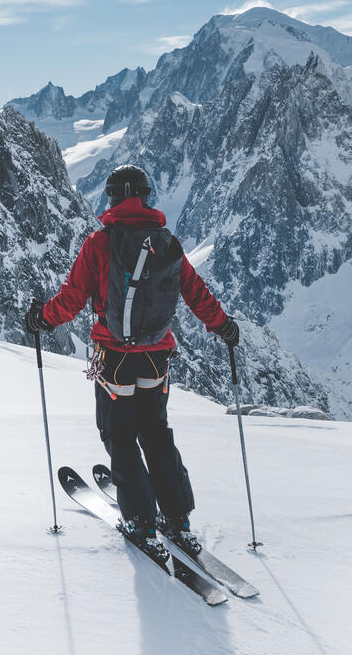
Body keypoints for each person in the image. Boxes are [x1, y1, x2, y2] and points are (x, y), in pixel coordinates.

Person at [24, 163, 239, 558]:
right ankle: (177, 517)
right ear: (145, 196)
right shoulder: (167, 243)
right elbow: (196, 293)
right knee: (156, 433)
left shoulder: (99, 244)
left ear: (112, 198)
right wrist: (223, 326)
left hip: (114, 359)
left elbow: (72, 299)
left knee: (120, 435)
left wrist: (42, 319)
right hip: (157, 358)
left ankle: (140, 520)